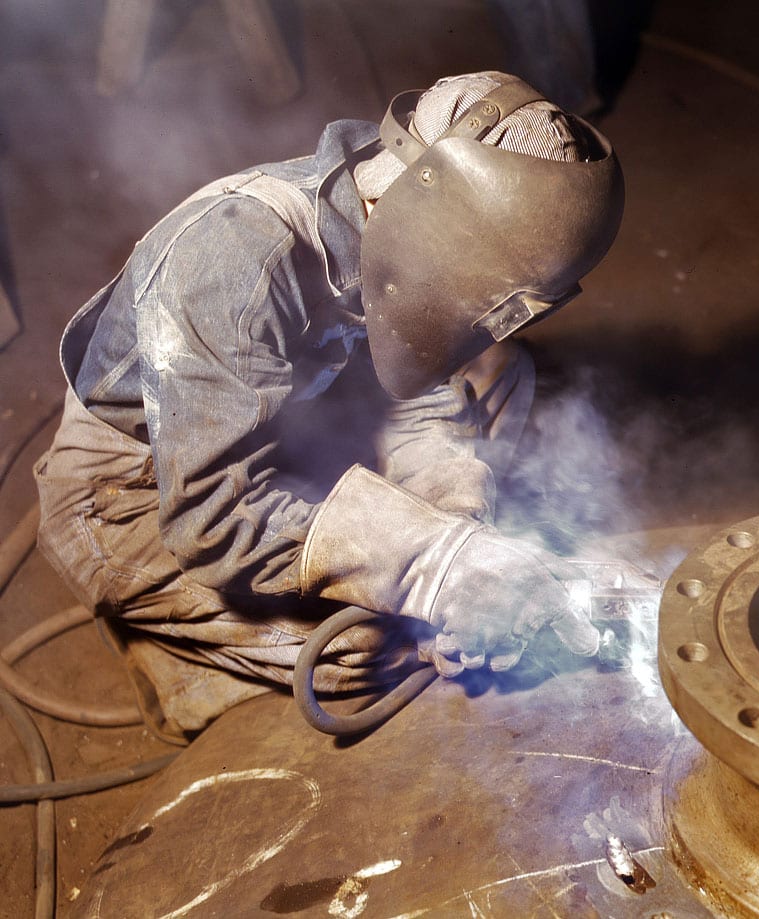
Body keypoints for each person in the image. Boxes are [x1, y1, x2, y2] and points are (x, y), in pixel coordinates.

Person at [34, 71, 624, 743]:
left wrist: (456, 526)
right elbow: (213, 517)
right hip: (138, 497)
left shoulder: (385, 219)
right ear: (437, 215)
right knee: (369, 648)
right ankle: (181, 670)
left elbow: (416, 390)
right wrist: (436, 570)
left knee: (500, 372)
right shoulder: (229, 259)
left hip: (284, 423)